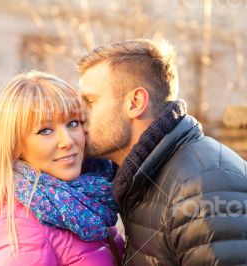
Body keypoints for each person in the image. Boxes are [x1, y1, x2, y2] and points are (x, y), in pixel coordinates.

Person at [77, 39, 247, 265]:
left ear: (135, 102)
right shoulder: (142, 176)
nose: (79, 115)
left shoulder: (203, 183)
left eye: (90, 101)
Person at [0, 71, 124, 266]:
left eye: (73, 123)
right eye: (45, 130)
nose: (67, 141)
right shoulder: (22, 231)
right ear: (15, 146)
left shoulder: (89, 201)